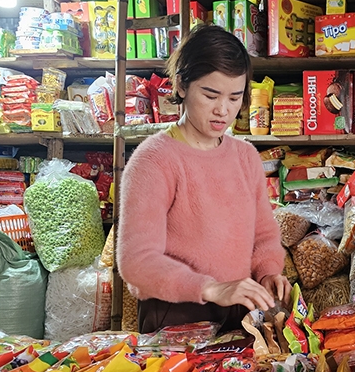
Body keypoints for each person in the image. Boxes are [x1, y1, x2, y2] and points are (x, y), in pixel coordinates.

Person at [118, 25, 290, 334]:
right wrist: (210, 289)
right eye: (210, 95)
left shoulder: (246, 157)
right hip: (174, 314)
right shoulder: (154, 159)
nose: (223, 110)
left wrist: (268, 273)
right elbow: (136, 261)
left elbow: (263, 235)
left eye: (235, 98)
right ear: (182, 86)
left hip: (240, 310)